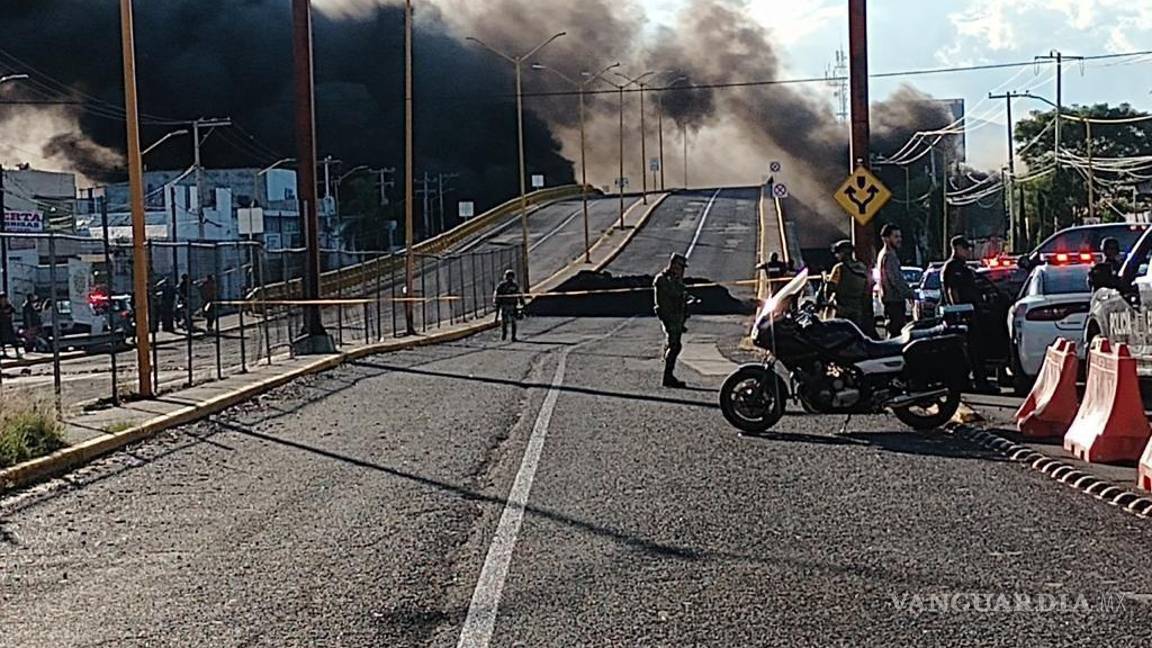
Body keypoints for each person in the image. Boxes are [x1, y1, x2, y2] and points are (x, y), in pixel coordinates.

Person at [942, 235, 997, 394]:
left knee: (974, 350)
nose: (967, 251)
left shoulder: (962, 267)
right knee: (973, 351)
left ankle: (972, 382)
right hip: (964, 315)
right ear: (957, 248)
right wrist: (960, 311)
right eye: (965, 248)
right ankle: (980, 383)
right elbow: (953, 291)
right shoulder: (953, 267)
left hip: (970, 312)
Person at [654, 253, 692, 388]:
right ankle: (667, 376)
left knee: (676, 345)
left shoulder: (674, 279)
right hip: (669, 316)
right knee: (674, 345)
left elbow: (682, 294)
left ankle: (669, 374)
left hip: (677, 316)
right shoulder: (664, 279)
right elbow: (674, 294)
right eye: (680, 266)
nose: (682, 270)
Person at [824, 240, 874, 336]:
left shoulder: (839, 268)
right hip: (858, 309)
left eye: (837, 253)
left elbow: (830, 288)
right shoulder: (862, 267)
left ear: (842, 253)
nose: (836, 256)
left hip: (842, 309)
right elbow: (867, 288)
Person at [877, 223, 914, 338]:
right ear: (886, 239)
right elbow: (896, 280)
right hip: (894, 301)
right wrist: (910, 293)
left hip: (890, 300)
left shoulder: (884, 254)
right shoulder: (889, 256)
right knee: (897, 334)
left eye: (900, 236)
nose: (899, 239)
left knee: (894, 330)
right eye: (896, 237)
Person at [493, 269, 524, 341]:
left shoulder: (512, 285)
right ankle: (505, 335)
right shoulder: (503, 285)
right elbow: (497, 295)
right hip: (506, 305)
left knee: (510, 321)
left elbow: (519, 294)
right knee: (506, 321)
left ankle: (510, 336)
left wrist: (522, 302)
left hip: (511, 306)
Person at [0, 292, 22, 359]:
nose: (3, 300)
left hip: (8, 325)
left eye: (4, 298)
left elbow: (13, 310)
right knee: (2, 340)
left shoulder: (8, 305)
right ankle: (4, 352)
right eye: (2, 299)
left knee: (13, 340)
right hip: (1, 326)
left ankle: (17, 353)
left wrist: (9, 312)